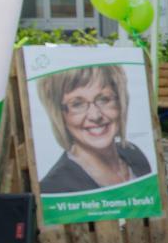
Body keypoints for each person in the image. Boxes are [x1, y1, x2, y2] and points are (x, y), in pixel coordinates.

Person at [35, 64, 152, 194]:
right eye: (77, 104)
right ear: (58, 114)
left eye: (104, 99)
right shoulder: (54, 188)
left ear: (120, 102)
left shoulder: (134, 154)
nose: (95, 115)